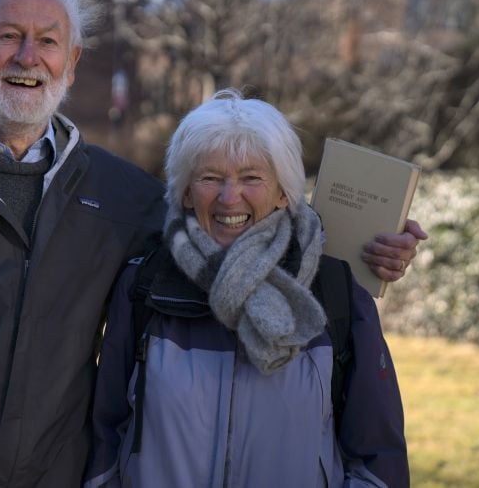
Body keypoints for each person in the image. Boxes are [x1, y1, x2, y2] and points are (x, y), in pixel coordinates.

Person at [0, 0, 423, 488]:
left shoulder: (122, 196)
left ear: (70, 64)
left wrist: (371, 246)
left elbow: (241, 225)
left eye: (47, 41)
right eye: (8, 36)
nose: (26, 57)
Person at [85, 89, 410, 487]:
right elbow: (105, 437)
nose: (228, 197)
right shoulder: (145, 285)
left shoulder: (334, 292)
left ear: (282, 193)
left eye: (251, 177)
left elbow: (379, 458)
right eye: (210, 177)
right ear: (186, 192)